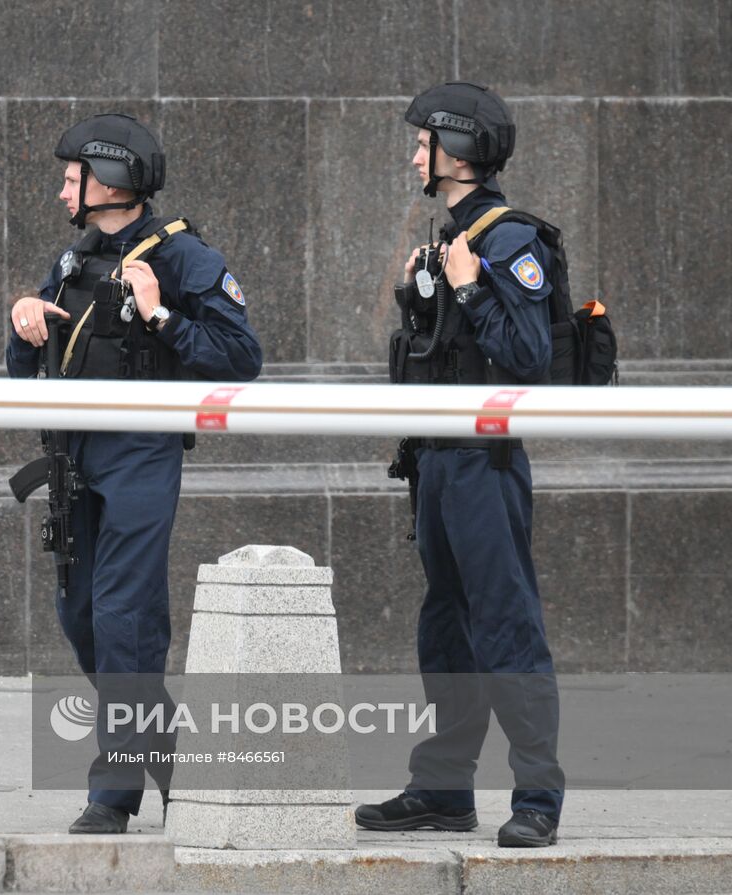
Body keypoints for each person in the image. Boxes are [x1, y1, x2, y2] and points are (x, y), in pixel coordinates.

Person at [6, 113, 262, 834]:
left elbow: (240, 357)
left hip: (140, 456)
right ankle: (182, 769)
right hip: (75, 456)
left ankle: (114, 792)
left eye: (70, 178)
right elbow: (27, 369)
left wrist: (160, 317)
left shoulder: (183, 259)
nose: (62, 192)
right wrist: (24, 322)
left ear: (109, 179)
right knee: (82, 618)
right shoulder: (73, 259)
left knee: (122, 619)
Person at [355, 82, 565, 848]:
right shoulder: (451, 235)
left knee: (506, 623)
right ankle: (443, 788)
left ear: (460, 150)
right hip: (437, 464)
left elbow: (527, 357)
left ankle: (538, 794)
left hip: (484, 462)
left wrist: (472, 287)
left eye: (424, 143)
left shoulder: (507, 240)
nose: (415, 154)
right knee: (445, 630)